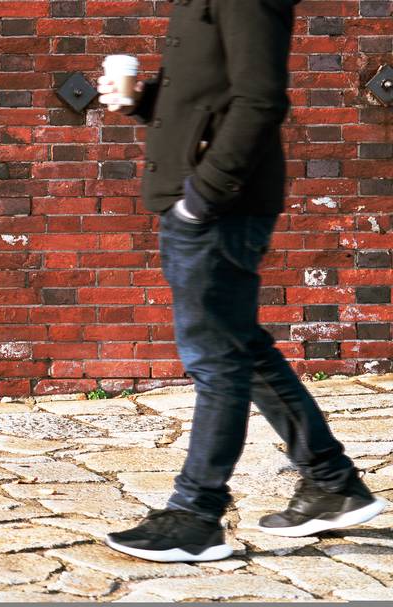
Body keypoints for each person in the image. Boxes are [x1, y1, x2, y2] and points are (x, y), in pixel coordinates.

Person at [96, 0, 384, 563]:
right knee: (240, 349)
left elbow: (261, 99)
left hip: (216, 207)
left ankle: (196, 515)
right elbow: (211, 98)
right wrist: (142, 100)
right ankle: (332, 484)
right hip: (207, 202)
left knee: (215, 359)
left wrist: (202, 196)